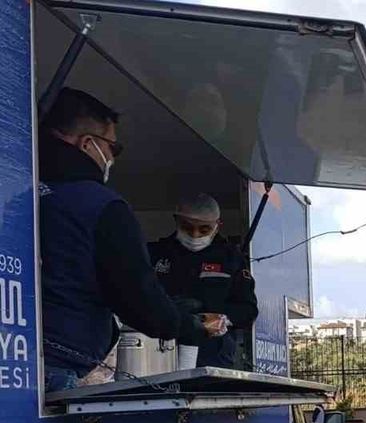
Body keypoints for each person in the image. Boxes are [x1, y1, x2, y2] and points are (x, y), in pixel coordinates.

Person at [38, 88, 220, 391]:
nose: (112, 158)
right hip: (58, 366)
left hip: (17, 356)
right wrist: (189, 324)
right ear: (87, 144)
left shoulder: (23, 192)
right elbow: (136, 298)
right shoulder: (102, 207)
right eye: (114, 147)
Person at [149, 193, 258, 368]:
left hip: (212, 354)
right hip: (160, 349)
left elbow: (248, 310)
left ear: (217, 226)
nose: (195, 234)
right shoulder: (155, 254)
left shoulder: (231, 259)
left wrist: (222, 318)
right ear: (176, 221)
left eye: (204, 229)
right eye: (187, 227)